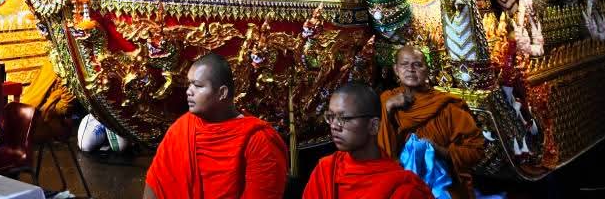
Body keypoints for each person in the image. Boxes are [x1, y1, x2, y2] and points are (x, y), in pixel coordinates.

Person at [144, 52, 288, 199]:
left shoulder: (259, 140)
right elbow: (156, 183)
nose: (188, 91)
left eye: (197, 85)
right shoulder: (182, 128)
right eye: (189, 84)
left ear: (222, 93)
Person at [379, 46, 485, 199]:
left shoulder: (447, 106)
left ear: (427, 70)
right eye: (404, 64)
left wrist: (440, 150)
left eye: (417, 64)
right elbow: (375, 148)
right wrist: (388, 107)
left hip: (443, 186)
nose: (411, 69)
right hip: (398, 183)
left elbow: (476, 151)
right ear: (396, 69)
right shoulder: (386, 100)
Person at [303, 82, 433, 199]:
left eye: (344, 118)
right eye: (331, 117)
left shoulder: (402, 189)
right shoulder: (326, 170)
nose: (334, 126)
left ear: (373, 126)